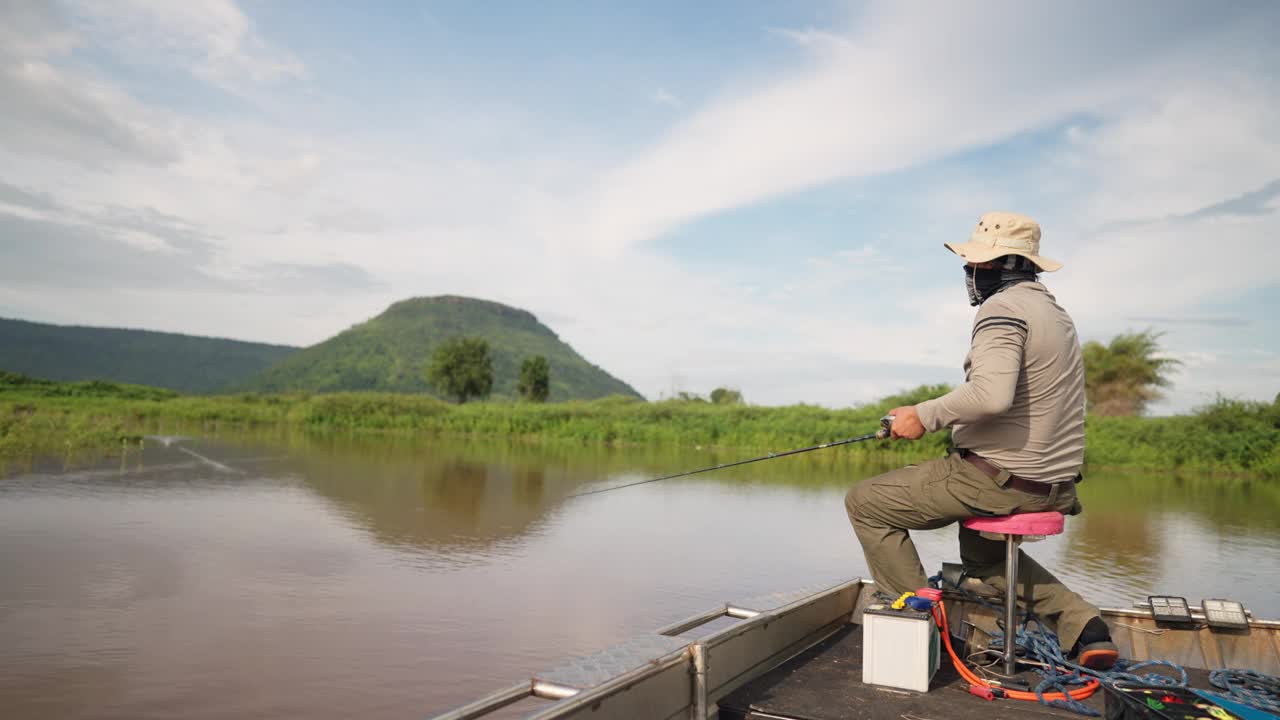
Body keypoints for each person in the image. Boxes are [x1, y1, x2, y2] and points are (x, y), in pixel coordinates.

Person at [844, 211, 1118, 670]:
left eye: (975, 264)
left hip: (998, 481)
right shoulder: (1056, 314)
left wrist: (922, 416)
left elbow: (990, 395)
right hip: (1054, 486)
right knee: (985, 562)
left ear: (999, 266)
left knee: (867, 502)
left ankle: (919, 626)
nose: (969, 273)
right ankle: (1085, 626)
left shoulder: (1003, 308)